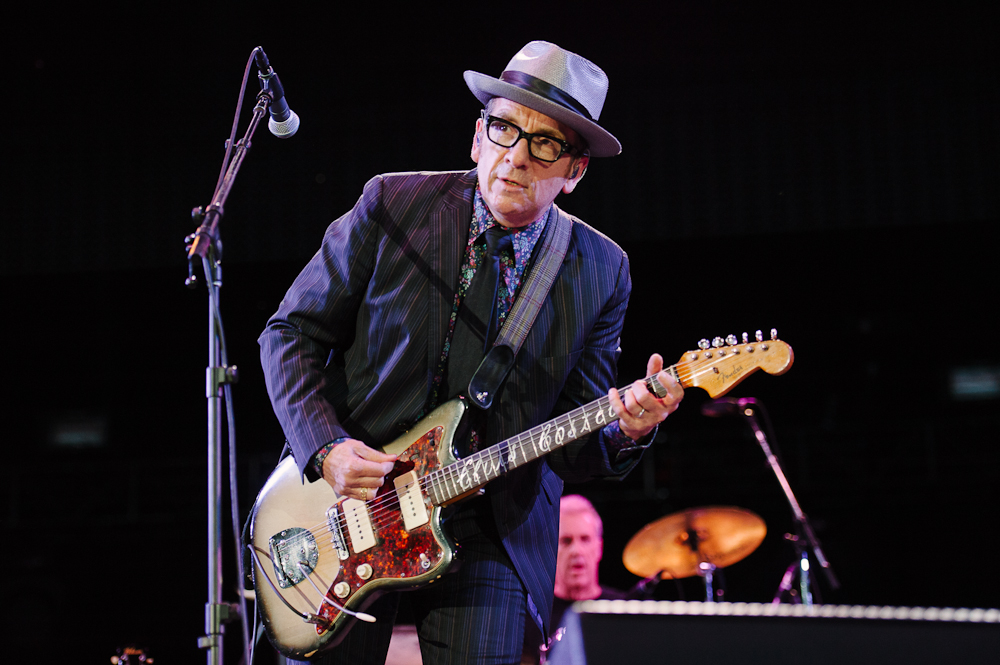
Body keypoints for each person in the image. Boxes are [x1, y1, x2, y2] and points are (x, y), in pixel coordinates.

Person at [258, 41, 684, 665]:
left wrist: (626, 429)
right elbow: (289, 334)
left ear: (575, 171)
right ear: (476, 137)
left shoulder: (601, 270)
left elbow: (577, 446)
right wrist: (325, 449)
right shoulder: (393, 205)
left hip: (492, 529)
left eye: (544, 144)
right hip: (351, 506)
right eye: (504, 128)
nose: (516, 157)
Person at [523, 495, 626, 663]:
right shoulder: (528, 617)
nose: (577, 551)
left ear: (599, 547)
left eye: (585, 539)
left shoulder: (624, 609)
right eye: (566, 541)